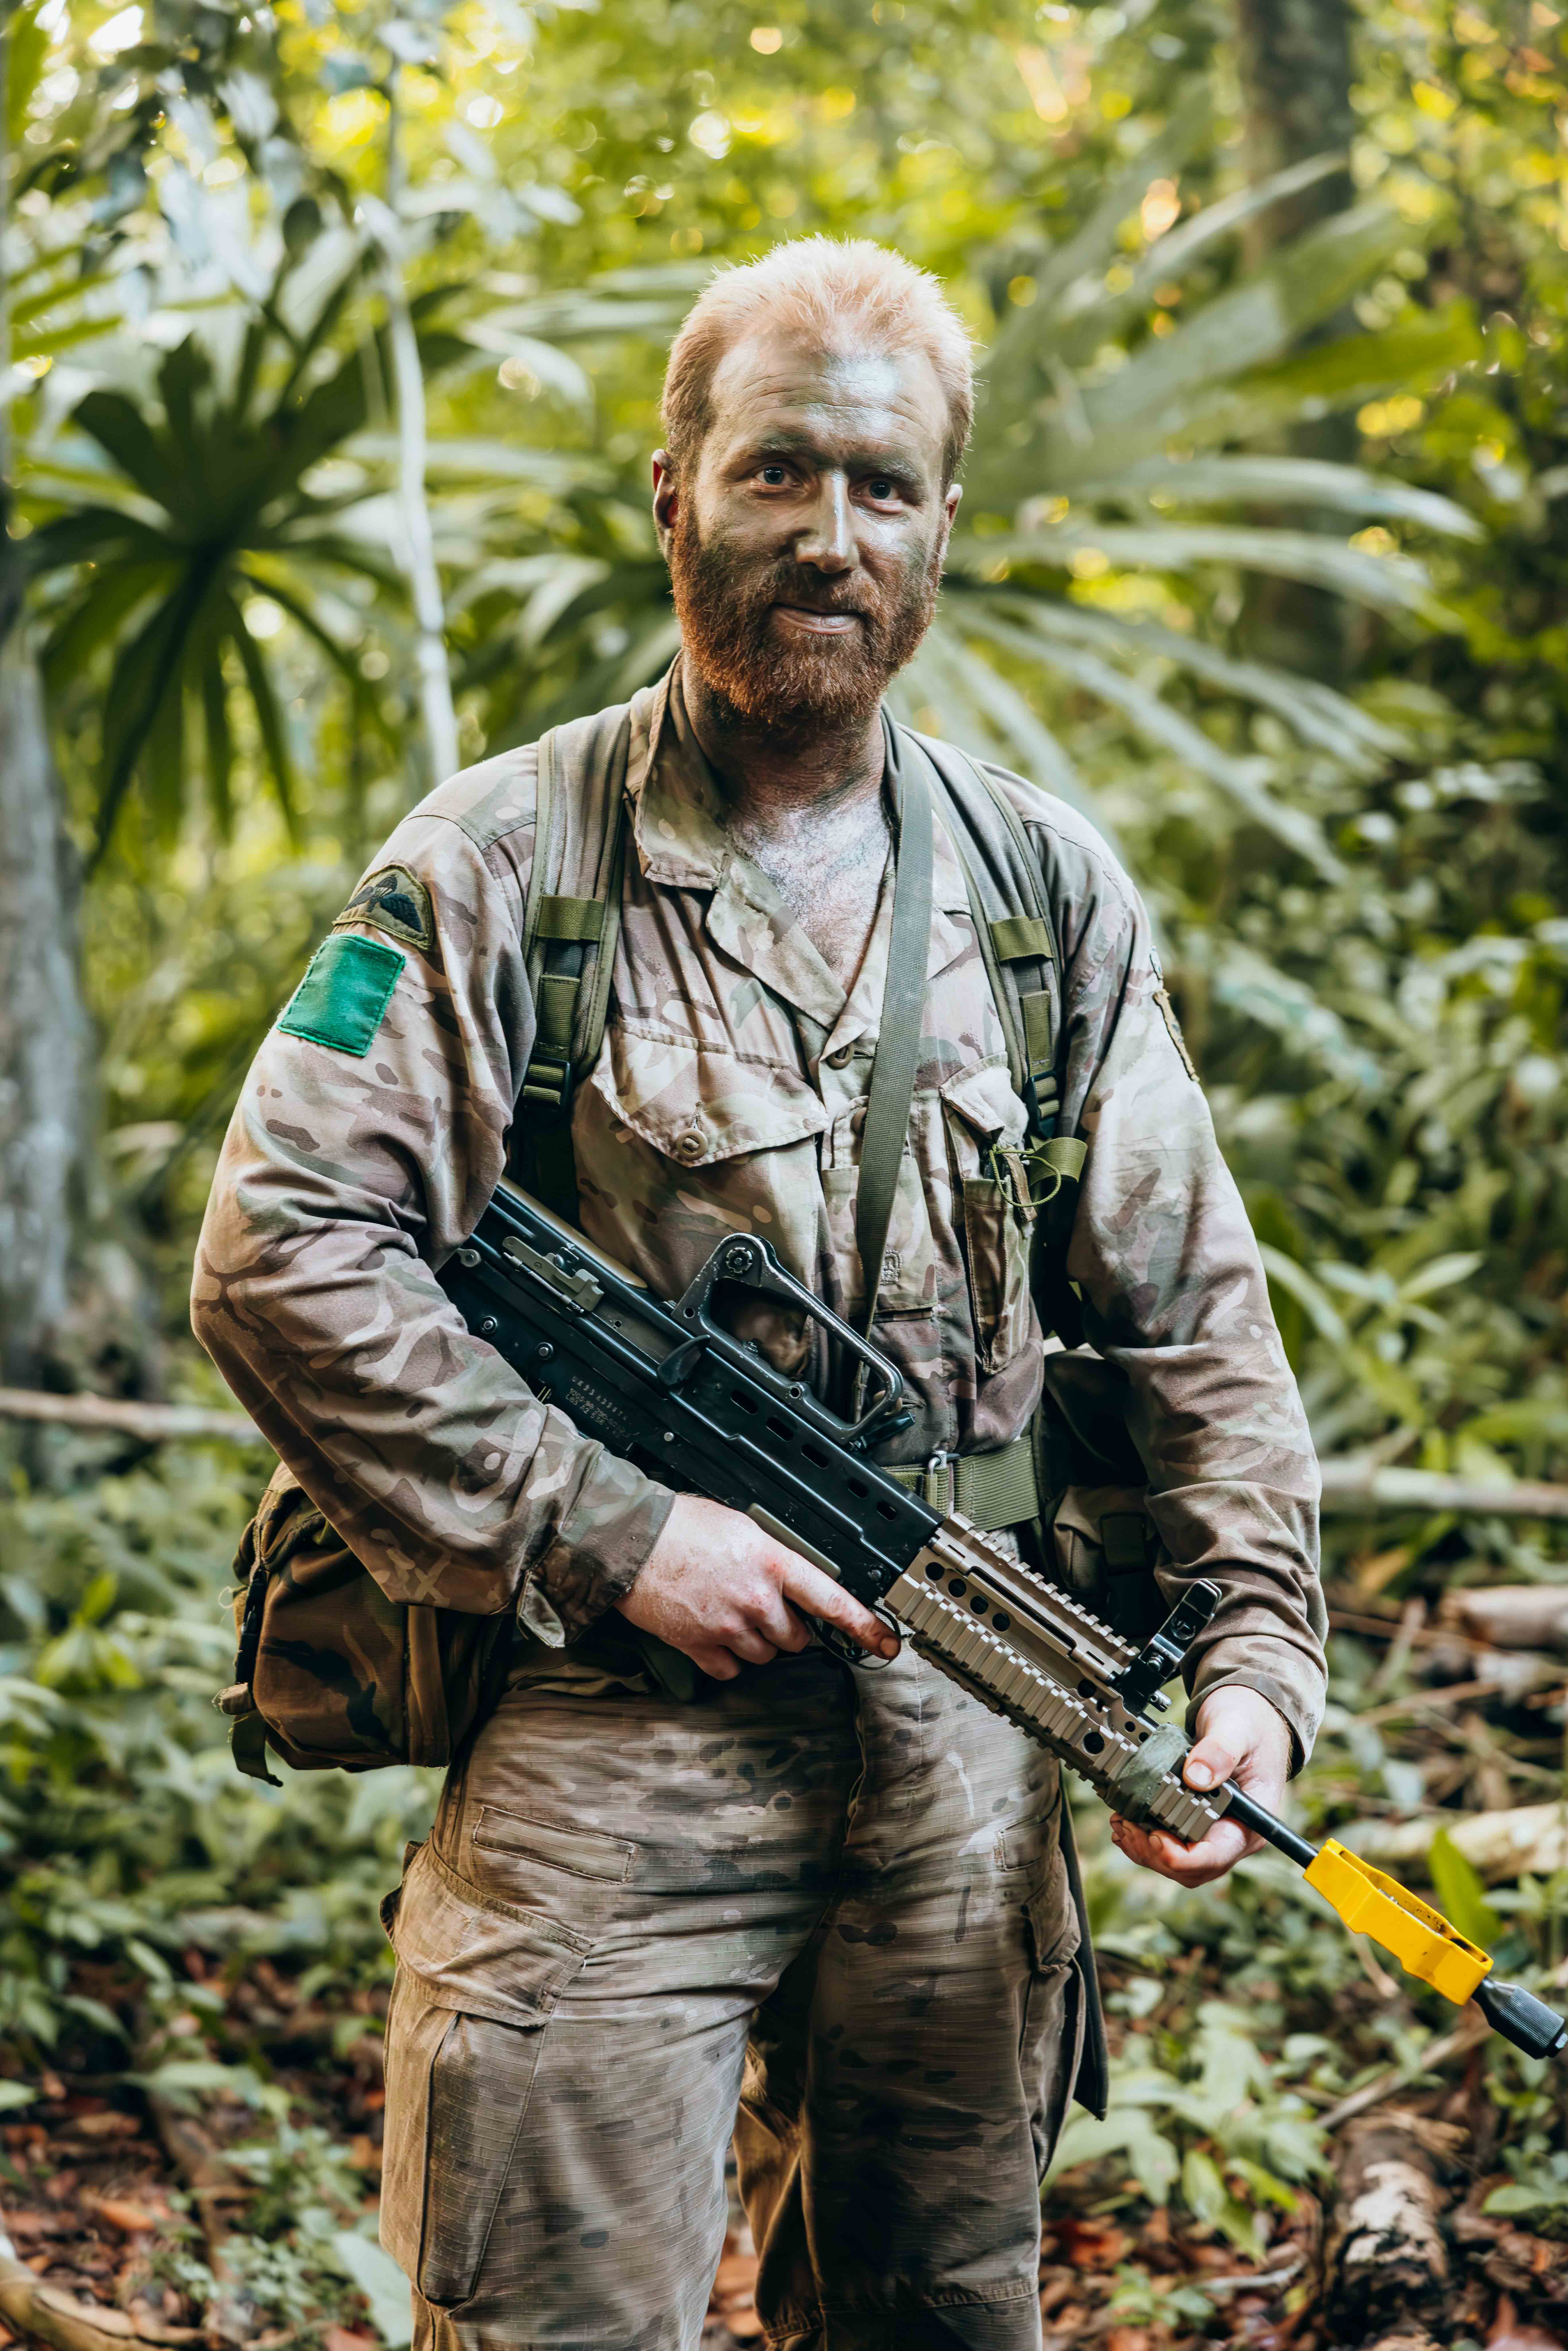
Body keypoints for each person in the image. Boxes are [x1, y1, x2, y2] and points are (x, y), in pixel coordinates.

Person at [192, 237, 1326, 2351]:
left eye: (882, 489)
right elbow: (280, 1251)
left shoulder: (1036, 890)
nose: (829, 537)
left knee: (933, 2320)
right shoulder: (496, 866)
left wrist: (1254, 1658)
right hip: (608, 1742)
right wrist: (613, 1532)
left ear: (941, 528)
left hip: (969, 1744)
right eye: (776, 473)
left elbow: (1194, 1320)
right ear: (674, 496)